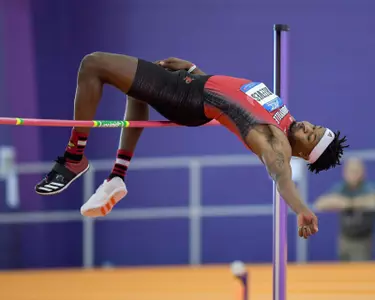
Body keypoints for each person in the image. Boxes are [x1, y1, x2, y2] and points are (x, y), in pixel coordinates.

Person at [34, 53, 349, 239]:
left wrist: (302, 210)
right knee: (136, 90)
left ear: (305, 153)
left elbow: (282, 179)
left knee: (93, 65)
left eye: (309, 136)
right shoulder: (286, 119)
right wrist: (197, 71)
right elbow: (235, 96)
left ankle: (75, 157)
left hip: (184, 99)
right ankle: (118, 175)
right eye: (314, 126)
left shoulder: (275, 142)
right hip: (193, 85)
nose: (307, 126)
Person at [314, 157, 375, 261]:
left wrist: (351, 203)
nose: (354, 174)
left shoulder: (368, 187)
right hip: (344, 239)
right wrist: (342, 202)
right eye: (351, 171)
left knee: (359, 272)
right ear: (345, 173)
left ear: (363, 173)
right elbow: (320, 204)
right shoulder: (341, 187)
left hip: (362, 240)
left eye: (357, 171)